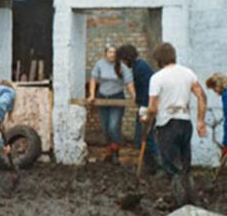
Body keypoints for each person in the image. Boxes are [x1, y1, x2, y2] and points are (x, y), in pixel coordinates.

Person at [145, 42, 207, 207]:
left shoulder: (157, 78)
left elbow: (152, 108)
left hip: (166, 124)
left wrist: (146, 118)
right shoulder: (188, 73)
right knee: (185, 165)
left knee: (172, 167)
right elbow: (202, 96)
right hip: (185, 122)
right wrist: (200, 120)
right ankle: (191, 200)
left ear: (158, 59)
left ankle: (179, 203)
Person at [87, 45, 136, 165]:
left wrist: (135, 96)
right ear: (105, 53)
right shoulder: (100, 64)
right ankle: (109, 151)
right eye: (109, 52)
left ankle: (115, 153)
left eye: (114, 52)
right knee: (105, 128)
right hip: (102, 98)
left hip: (117, 98)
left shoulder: (122, 66)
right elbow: (93, 79)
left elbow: (129, 82)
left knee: (113, 126)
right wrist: (92, 95)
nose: (112, 54)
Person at [116, 44, 160, 174]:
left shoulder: (140, 68)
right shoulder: (138, 66)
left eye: (122, 60)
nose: (122, 63)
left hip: (147, 106)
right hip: (144, 104)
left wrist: (145, 108)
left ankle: (157, 166)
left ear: (126, 58)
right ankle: (150, 165)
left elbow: (148, 89)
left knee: (147, 137)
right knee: (141, 138)